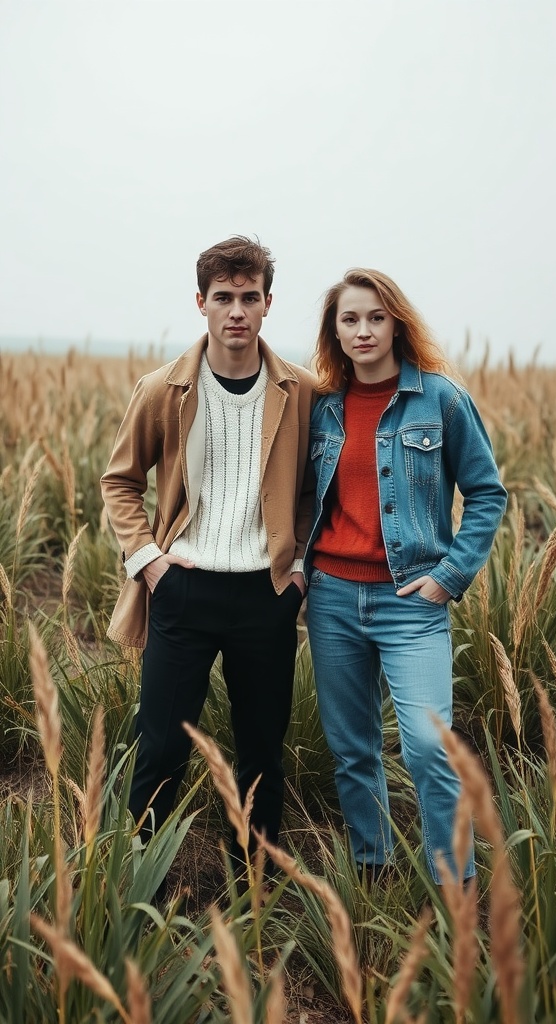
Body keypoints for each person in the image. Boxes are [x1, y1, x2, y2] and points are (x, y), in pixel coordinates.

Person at [101, 235, 315, 874]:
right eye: (223, 297)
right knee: (162, 748)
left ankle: (256, 885)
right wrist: (150, 562)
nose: (237, 312)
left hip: (266, 595)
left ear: (268, 302)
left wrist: (298, 568)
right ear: (201, 302)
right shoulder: (162, 388)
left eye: (250, 297)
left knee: (261, 755)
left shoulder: (302, 390)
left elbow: (315, 488)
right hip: (183, 588)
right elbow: (120, 480)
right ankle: (136, 879)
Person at [304, 268, 507, 885]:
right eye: (350, 319)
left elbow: (487, 493)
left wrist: (450, 574)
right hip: (332, 598)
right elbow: (301, 498)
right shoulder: (322, 408)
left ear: (396, 324)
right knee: (352, 750)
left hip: (411, 599)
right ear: (335, 331)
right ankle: (374, 870)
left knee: (428, 744)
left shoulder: (440, 400)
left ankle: (455, 884)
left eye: (376, 317)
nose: (363, 330)